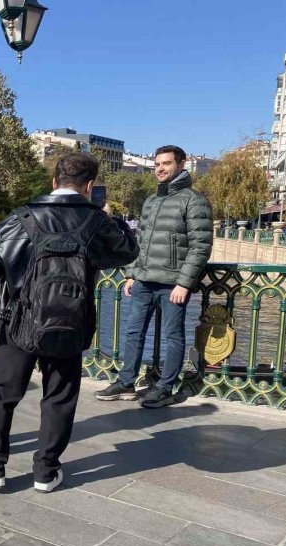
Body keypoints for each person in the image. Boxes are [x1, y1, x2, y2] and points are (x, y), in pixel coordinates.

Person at [0, 153, 139, 493]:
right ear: (89, 186)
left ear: (53, 181)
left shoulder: (23, 217)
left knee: (3, 394)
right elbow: (127, 252)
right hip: (71, 322)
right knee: (60, 396)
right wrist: (113, 219)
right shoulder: (96, 221)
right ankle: (45, 471)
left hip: (19, 320)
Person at [95, 145, 212, 409]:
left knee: (173, 336)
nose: (160, 168)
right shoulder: (151, 201)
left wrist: (184, 282)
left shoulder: (193, 200)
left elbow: (201, 245)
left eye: (166, 164)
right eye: (157, 164)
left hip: (173, 284)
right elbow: (141, 242)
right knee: (133, 331)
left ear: (181, 165)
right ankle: (126, 383)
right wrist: (132, 274)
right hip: (144, 281)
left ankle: (165, 387)